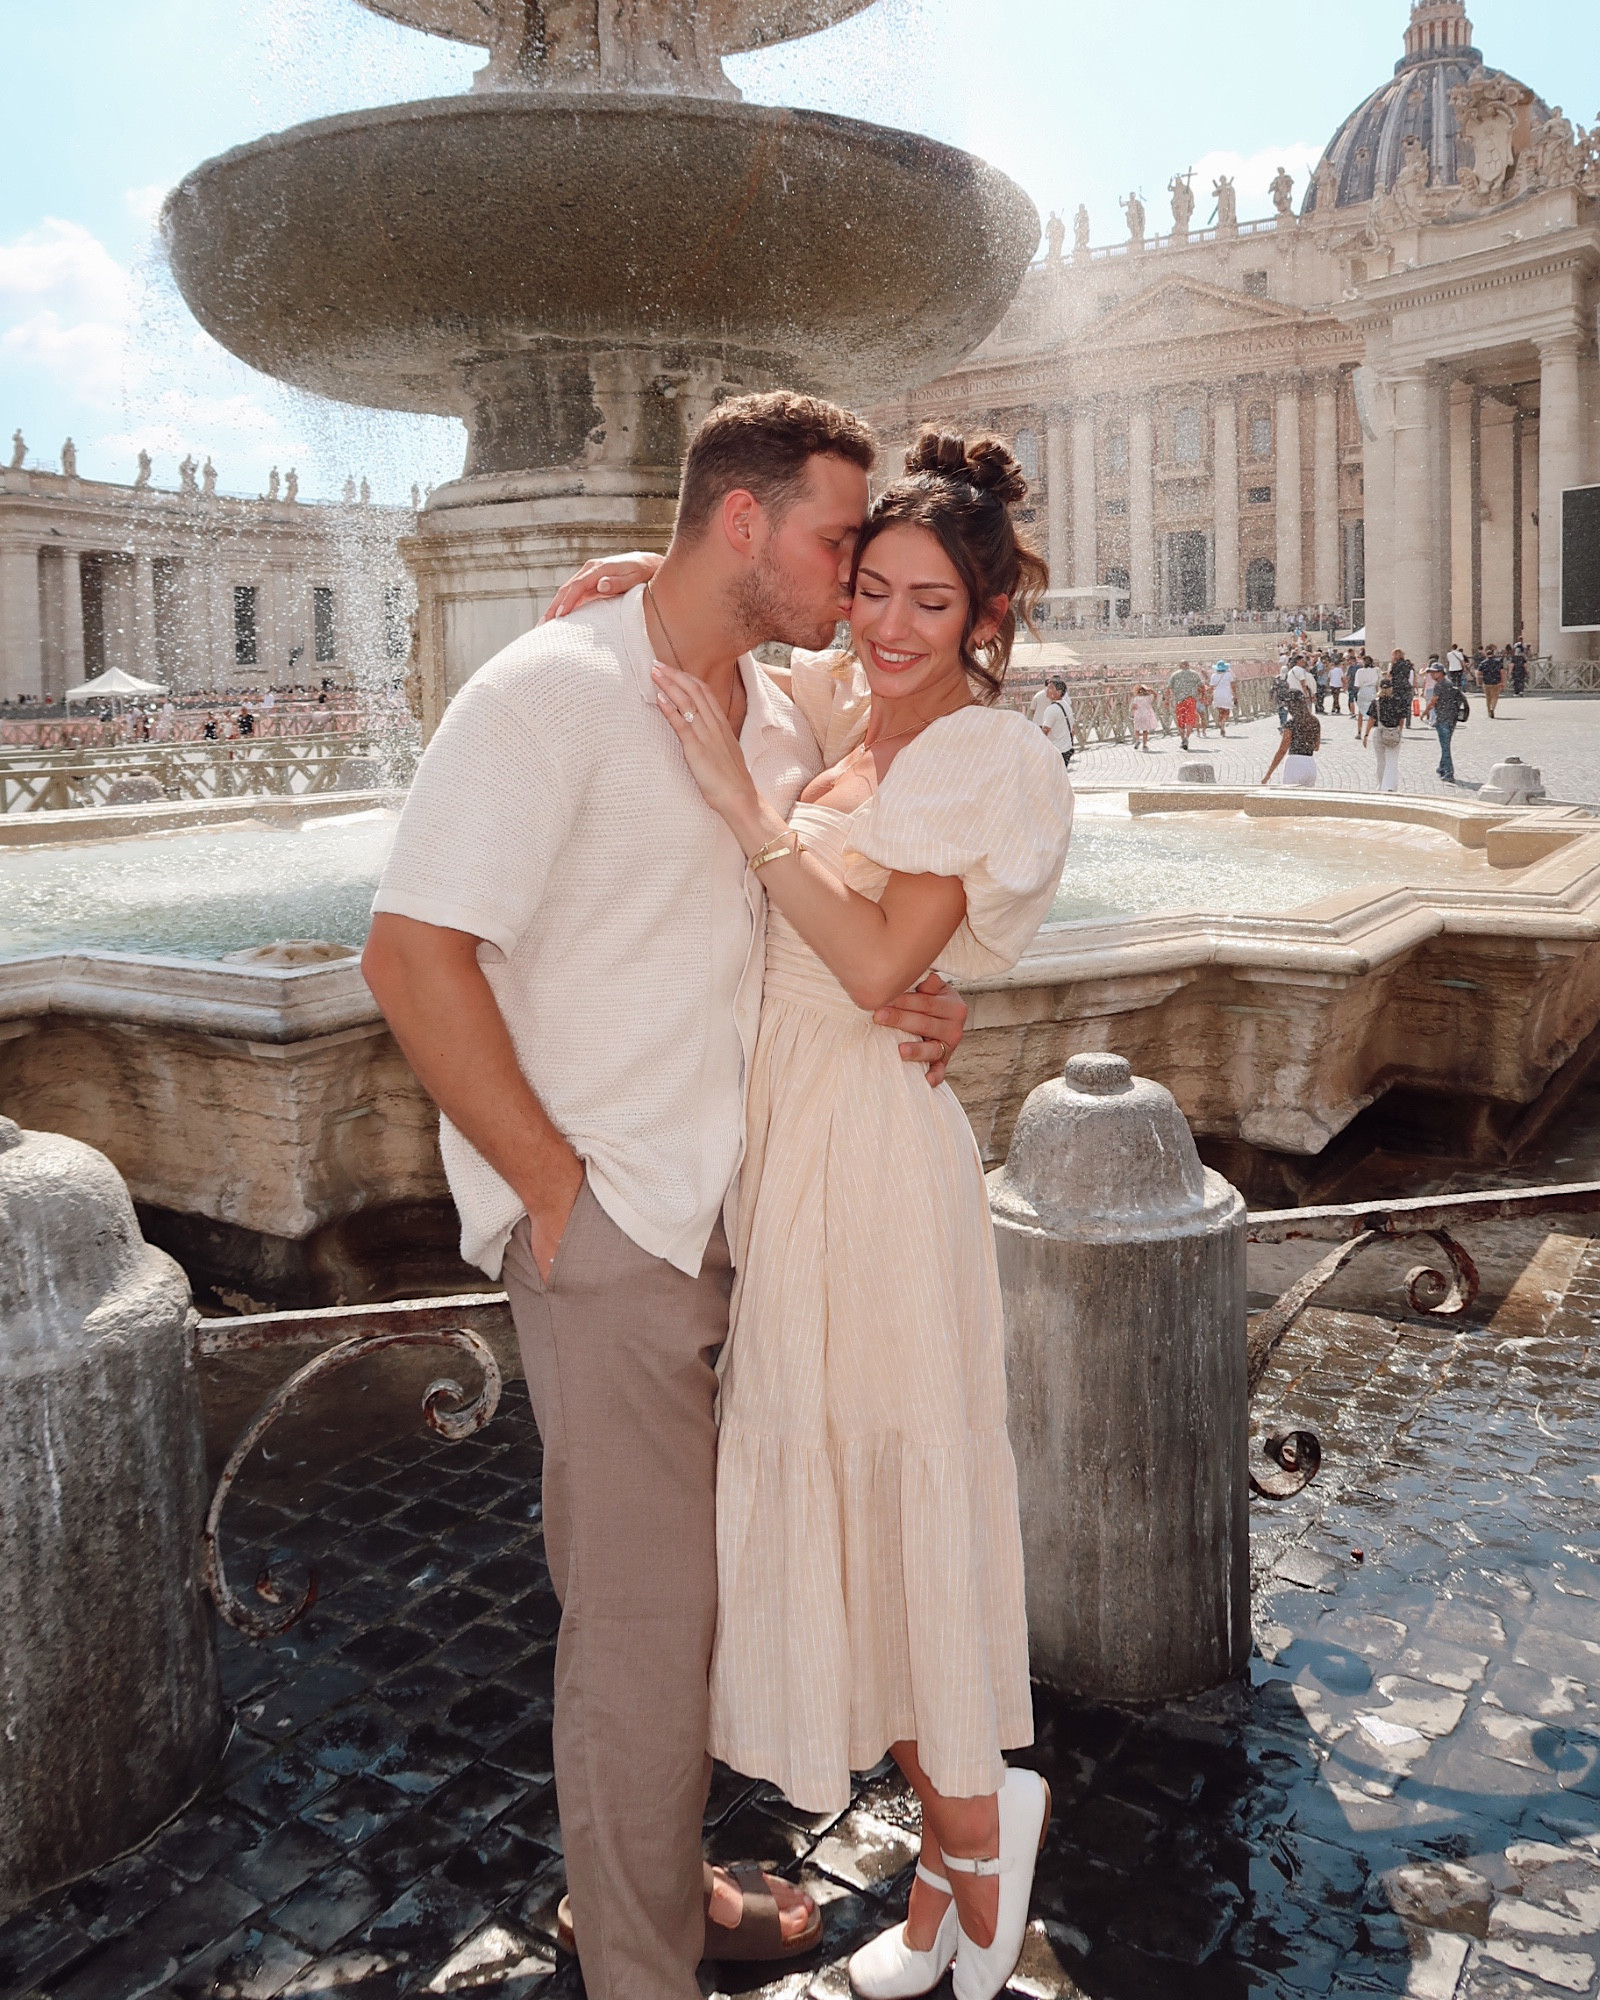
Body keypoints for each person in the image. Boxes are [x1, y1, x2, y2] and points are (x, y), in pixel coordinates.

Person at [363, 392, 970, 2000]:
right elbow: (409, 956)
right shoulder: (548, 695)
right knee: (640, 1625)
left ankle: (654, 1879)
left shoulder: (772, 714)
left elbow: (942, 709)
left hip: (748, 1220)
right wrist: (554, 1188)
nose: (856, 578)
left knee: (704, 1597)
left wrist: (925, 991)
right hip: (617, 1230)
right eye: (838, 539)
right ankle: (637, 1962)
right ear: (751, 524)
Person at [634, 429, 1068, 2000]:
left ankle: (974, 1842)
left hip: (876, 1159)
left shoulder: (981, 758)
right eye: (872, 588)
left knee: (896, 1500)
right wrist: (639, 573)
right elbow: (738, 622)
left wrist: (743, 823)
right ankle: (961, 1866)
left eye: (929, 605)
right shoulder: (851, 717)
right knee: (844, 1506)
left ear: (988, 616)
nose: (887, 626)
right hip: (797, 1147)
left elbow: (887, 970)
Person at [1262, 687, 1321, 788]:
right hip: (1310, 765)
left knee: (1290, 801)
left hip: (1294, 765)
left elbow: (1282, 750)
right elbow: (1316, 747)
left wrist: (1268, 775)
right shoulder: (1314, 721)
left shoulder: (1291, 724)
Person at [1425, 663, 1467, 783]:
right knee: (1445, 743)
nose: (1432, 674)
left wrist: (1425, 712)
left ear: (1440, 673)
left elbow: (1433, 701)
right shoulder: (1450, 683)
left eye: (1434, 672)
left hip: (1443, 718)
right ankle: (1442, 767)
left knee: (1445, 746)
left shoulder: (1439, 685)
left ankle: (1448, 771)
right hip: (1452, 717)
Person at [1365, 676, 1407, 792]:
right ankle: (1391, 786)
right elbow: (1402, 719)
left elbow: (1371, 720)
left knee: (1381, 761)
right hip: (1394, 731)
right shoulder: (1397, 701)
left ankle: (1381, 784)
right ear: (1391, 688)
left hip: (1380, 731)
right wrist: (1399, 731)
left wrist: (1366, 735)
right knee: (1393, 760)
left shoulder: (1376, 703)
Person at [1038, 672, 1075, 767]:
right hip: (1066, 748)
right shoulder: (1066, 705)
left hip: (1056, 749)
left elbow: (1045, 730)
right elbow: (1072, 728)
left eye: (1051, 688)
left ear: (1058, 692)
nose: (1047, 690)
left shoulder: (1051, 709)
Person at [1168, 659, 1202, 750]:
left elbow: (1169, 687)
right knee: (1190, 719)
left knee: (1181, 720)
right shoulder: (1194, 674)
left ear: (1180, 665)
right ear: (1188, 665)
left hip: (1179, 700)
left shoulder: (1174, 675)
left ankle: (1183, 738)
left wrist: (1169, 699)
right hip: (1191, 699)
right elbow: (1201, 685)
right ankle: (1187, 737)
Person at [1352, 652, 1380, 736]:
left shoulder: (1360, 671)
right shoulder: (1375, 671)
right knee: (1373, 713)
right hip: (1372, 691)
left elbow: (1357, 684)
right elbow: (1377, 683)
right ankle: (1372, 732)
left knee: (1361, 712)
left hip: (1363, 691)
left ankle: (1359, 732)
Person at [1129, 683, 1159, 752]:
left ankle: (1137, 740)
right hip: (1146, 715)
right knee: (1145, 730)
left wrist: (1132, 714)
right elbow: (1156, 695)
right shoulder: (1148, 698)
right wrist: (1151, 690)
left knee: (1137, 729)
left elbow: (1134, 707)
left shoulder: (1136, 698)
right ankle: (1144, 744)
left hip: (1138, 715)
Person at [1388, 649, 1414, 726]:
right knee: (1407, 705)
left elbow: (1391, 675)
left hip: (1397, 686)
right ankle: (1407, 722)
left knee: (1397, 705)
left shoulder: (1396, 664)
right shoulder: (1407, 663)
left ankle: (1398, 723)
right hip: (1406, 685)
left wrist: (1392, 664)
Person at [1208, 660, 1234, 737]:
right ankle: (1223, 723)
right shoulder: (1229, 675)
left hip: (1217, 695)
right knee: (1227, 712)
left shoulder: (1213, 676)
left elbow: (1212, 687)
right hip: (1226, 694)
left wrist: (1210, 697)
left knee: (1220, 711)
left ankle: (1221, 723)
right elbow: (1233, 686)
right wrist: (1235, 695)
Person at [1478, 643, 1503, 717]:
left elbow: (1479, 673)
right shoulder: (1498, 662)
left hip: (1486, 682)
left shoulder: (1482, 663)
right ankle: (1492, 708)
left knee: (1488, 697)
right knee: (1495, 696)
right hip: (1496, 682)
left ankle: (1489, 710)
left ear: (1486, 655)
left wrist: (1480, 681)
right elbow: (1502, 672)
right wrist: (1503, 681)